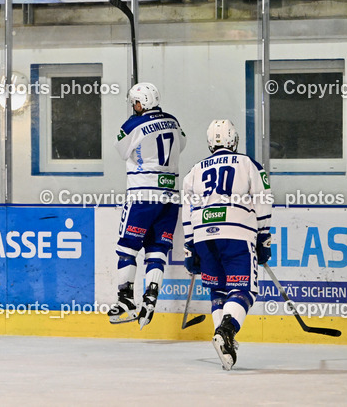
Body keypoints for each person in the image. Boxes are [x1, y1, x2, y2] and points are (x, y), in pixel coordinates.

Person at [181, 119, 271, 371]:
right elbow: (263, 198)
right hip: (236, 231)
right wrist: (264, 235)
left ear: (210, 143)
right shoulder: (247, 163)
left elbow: (186, 209)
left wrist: (189, 246)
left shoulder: (195, 170)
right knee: (245, 290)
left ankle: (224, 343)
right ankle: (227, 331)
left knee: (219, 289)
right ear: (234, 140)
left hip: (202, 235)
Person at [110, 82, 186, 327]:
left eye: (135, 102)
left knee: (128, 248)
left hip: (142, 195)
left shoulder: (134, 123)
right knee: (157, 249)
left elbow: (121, 150)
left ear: (142, 102)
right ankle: (151, 296)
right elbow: (181, 145)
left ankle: (125, 299)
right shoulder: (173, 121)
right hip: (171, 197)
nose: (134, 106)